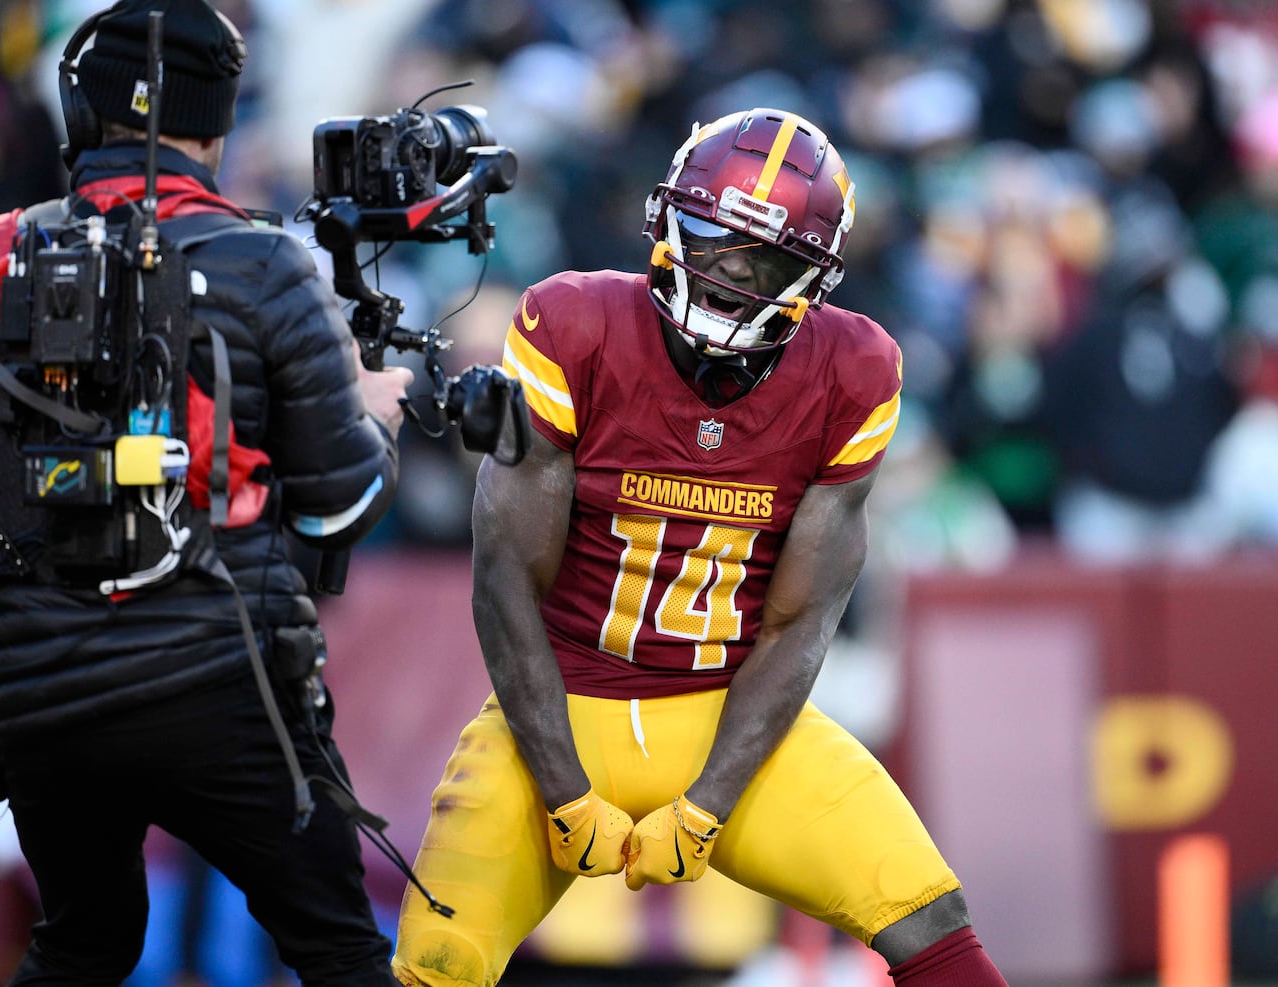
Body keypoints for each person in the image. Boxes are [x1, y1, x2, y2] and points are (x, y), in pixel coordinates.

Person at [391, 108, 1008, 987]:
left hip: (732, 718)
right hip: (561, 707)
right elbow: (505, 581)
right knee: (436, 965)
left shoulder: (855, 369)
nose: (730, 274)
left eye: (767, 259)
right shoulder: (576, 324)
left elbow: (803, 619)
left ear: (815, 279)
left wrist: (711, 803)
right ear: (667, 217)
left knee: (930, 918)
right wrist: (564, 790)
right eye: (713, 237)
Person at [0, 0, 413, 986]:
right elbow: (339, 502)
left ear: (83, 110)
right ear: (214, 126)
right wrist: (373, 412)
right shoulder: (264, 259)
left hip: (31, 680)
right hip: (215, 673)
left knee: (82, 944)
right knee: (339, 947)